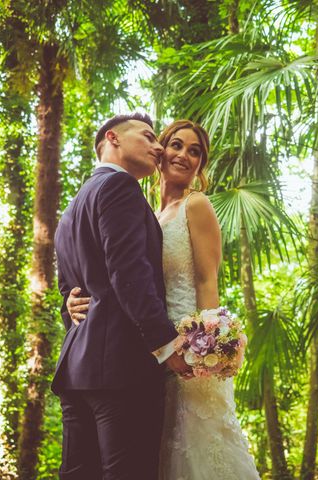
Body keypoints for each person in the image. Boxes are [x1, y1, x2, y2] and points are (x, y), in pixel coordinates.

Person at [67, 120, 260, 479]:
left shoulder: (197, 204)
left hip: (186, 350)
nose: (183, 155)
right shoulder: (148, 212)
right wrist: (72, 299)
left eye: (195, 151)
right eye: (175, 145)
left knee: (199, 447)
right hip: (149, 351)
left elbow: (206, 280)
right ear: (160, 152)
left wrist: (208, 347)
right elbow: (119, 270)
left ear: (201, 165)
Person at [51, 113, 192, 480]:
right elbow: (129, 273)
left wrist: (72, 311)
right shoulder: (121, 188)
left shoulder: (72, 207)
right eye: (148, 136)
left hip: (77, 369)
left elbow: (69, 289)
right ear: (112, 138)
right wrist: (166, 345)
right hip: (122, 369)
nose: (158, 146)